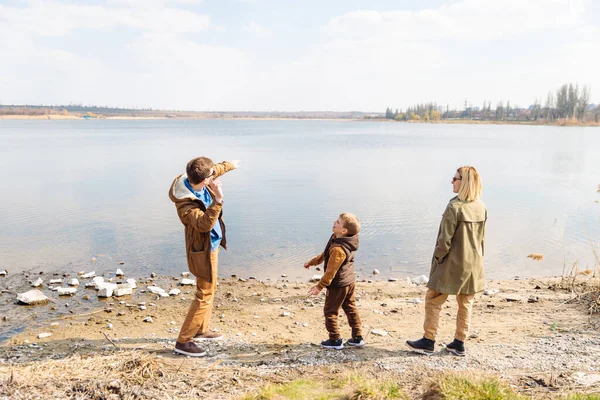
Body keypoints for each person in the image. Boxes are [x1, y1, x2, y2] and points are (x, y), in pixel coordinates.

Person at [406, 166, 486, 357]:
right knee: (465, 303)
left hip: (451, 263)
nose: (452, 181)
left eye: (455, 178)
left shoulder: (454, 207)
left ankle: (428, 341)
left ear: (464, 182)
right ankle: (459, 343)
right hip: (473, 263)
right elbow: (482, 238)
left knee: (433, 300)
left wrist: (438, 258)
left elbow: (444, 240)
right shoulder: (481, 206)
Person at [169, 156, 240, 357]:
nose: (213, 178)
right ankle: (183, 341)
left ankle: (202, 330)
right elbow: (203, 225)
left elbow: (215, 169)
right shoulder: (185, 205)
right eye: (209, 179)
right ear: (203, 181)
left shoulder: (198, 175)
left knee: (210, 289)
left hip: (213, 244)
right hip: (202, 251)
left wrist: (231, 165)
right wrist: (218, 199)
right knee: (204, 293)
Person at [305, 213, 363, 350]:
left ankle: (335, 340)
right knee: (350, 307)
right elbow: (325, 254)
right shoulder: (342, 240)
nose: (334, 222)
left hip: (339, 284)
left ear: (344, 231)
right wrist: (312, 262)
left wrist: (319, 286)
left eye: (337, 222)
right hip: (349, 280)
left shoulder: (338, 249)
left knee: (330, 311)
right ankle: (357, 337)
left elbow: (331, 271)